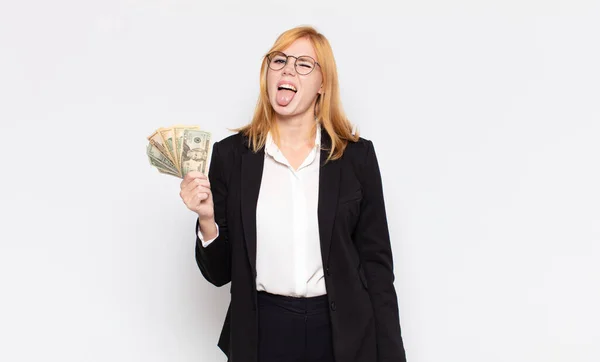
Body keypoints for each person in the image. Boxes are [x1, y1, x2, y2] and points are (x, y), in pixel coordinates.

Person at [179, 25, 407, 362]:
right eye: (279, 60)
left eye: (303, 64)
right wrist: (207, 219)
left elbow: (377, 268)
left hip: (340, 333)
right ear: (267, 74)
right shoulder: (231, 157)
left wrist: (391, 355)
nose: (288, 69)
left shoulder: (356, 158)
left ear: (322, 84)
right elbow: (219, 274)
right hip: (262, 331)